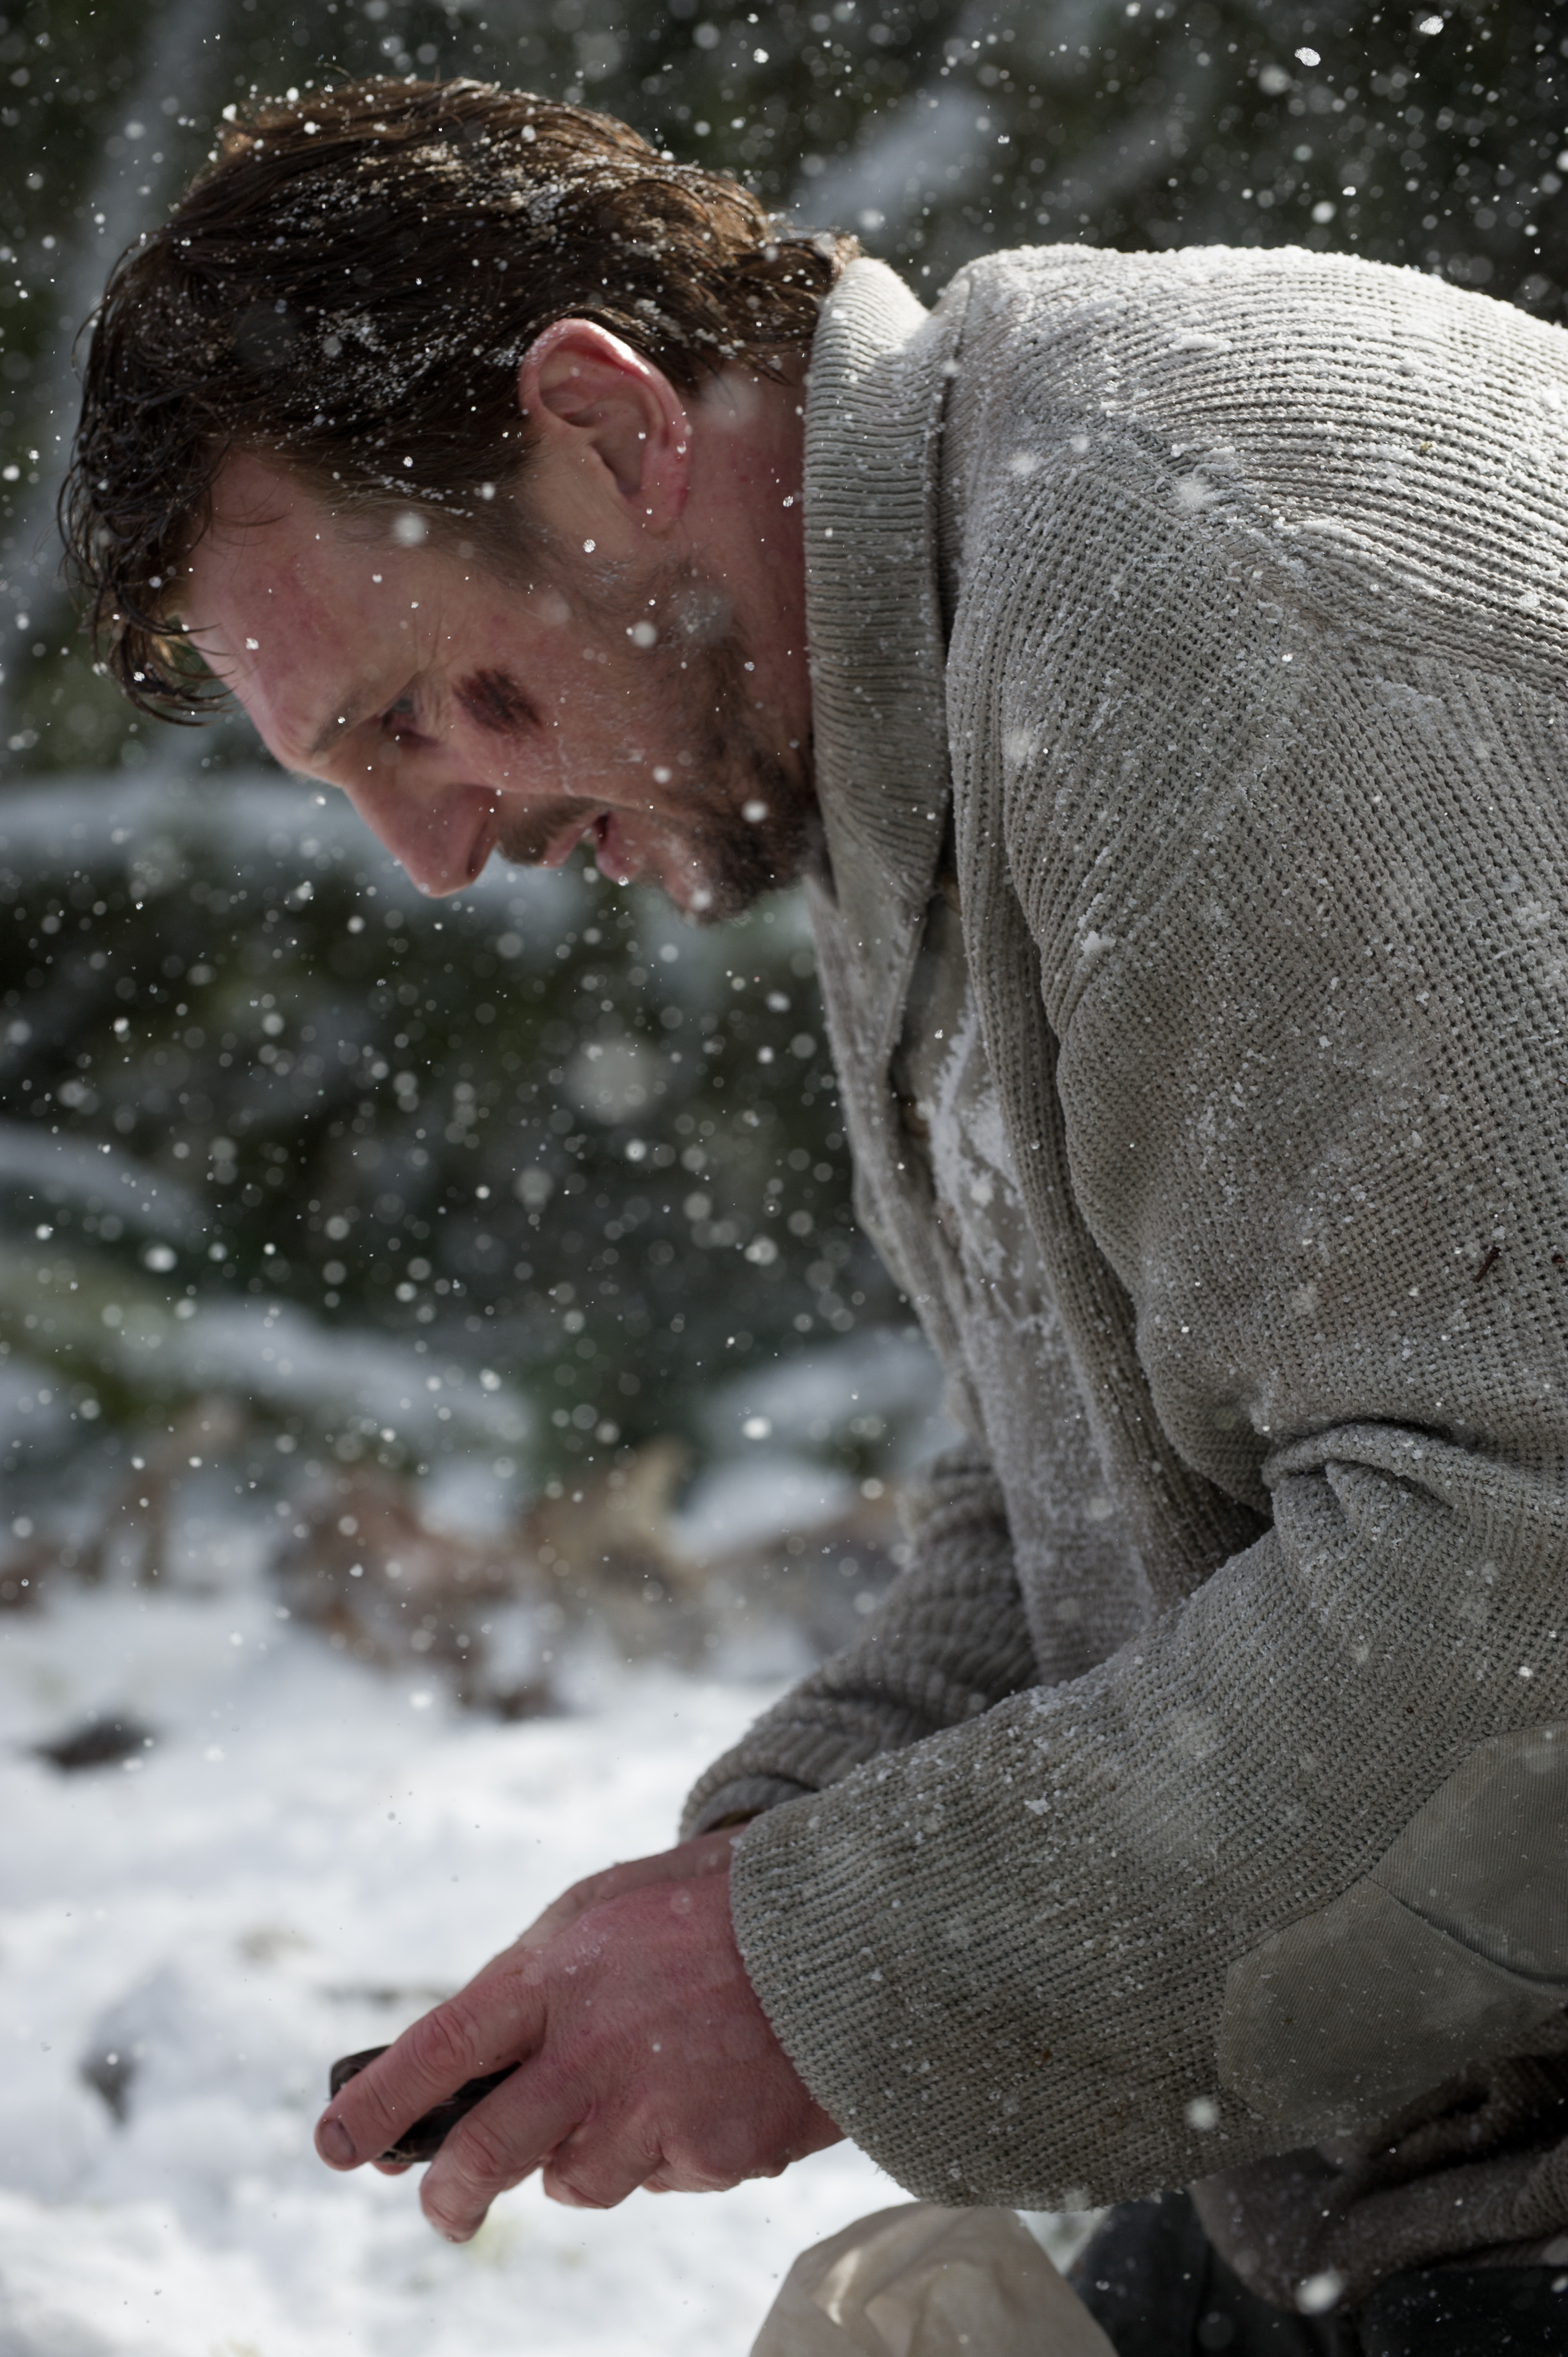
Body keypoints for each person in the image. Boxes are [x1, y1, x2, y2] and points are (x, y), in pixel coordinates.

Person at [65, 76, 1568, 2355]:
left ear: (607, 428)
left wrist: (824, 1961)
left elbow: (1524, 1569)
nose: (435, 853)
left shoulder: (1182, 598)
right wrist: (768, 1859)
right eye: (350, 782)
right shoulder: (933, 642)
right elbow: (1109, 1481)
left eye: (413, 715)